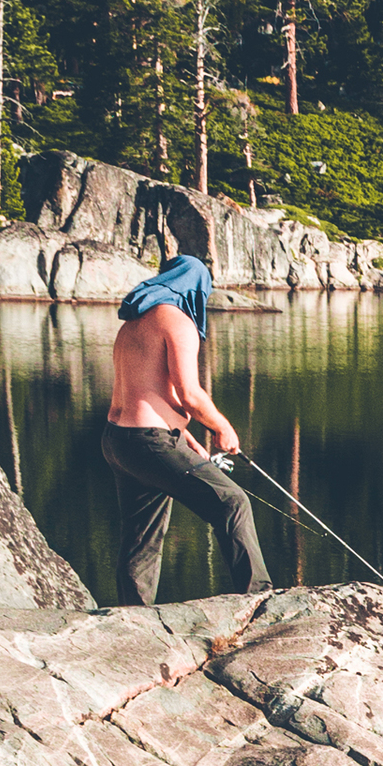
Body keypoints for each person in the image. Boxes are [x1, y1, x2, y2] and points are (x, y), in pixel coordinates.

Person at [101, 252, 271, 606]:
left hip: (119, 440)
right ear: (194, 288)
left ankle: (133, 615)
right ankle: (258, 598)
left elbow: (144, 391)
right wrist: (222, 427)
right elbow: (190, 394)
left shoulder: (133, 322)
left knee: (141, 537)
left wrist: (183, 433)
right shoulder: (176, 321)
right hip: (148, 441)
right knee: (232, 502)